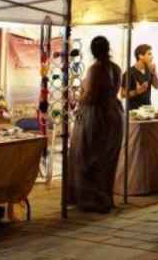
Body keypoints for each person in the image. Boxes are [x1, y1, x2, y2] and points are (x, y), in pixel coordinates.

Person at [69, 36, 124, 213]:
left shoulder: (96, 69)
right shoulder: (116, 68)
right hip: (114, 115)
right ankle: (105, 197)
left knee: (87, 156)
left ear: (92, 51)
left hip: (96, 116)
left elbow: (91, 96)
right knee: (107, 159)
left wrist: (78, 96)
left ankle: (92, 200)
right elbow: (114, 91)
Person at [121, 44, 158, 112]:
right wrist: (137, 92)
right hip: (134, 111)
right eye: (149, 54)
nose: (152, 57)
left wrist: (154, 73)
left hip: (148, 110)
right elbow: (122, 94)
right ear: (140, 56)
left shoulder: (149, 70)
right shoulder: (129, 72)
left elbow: (156, 86)